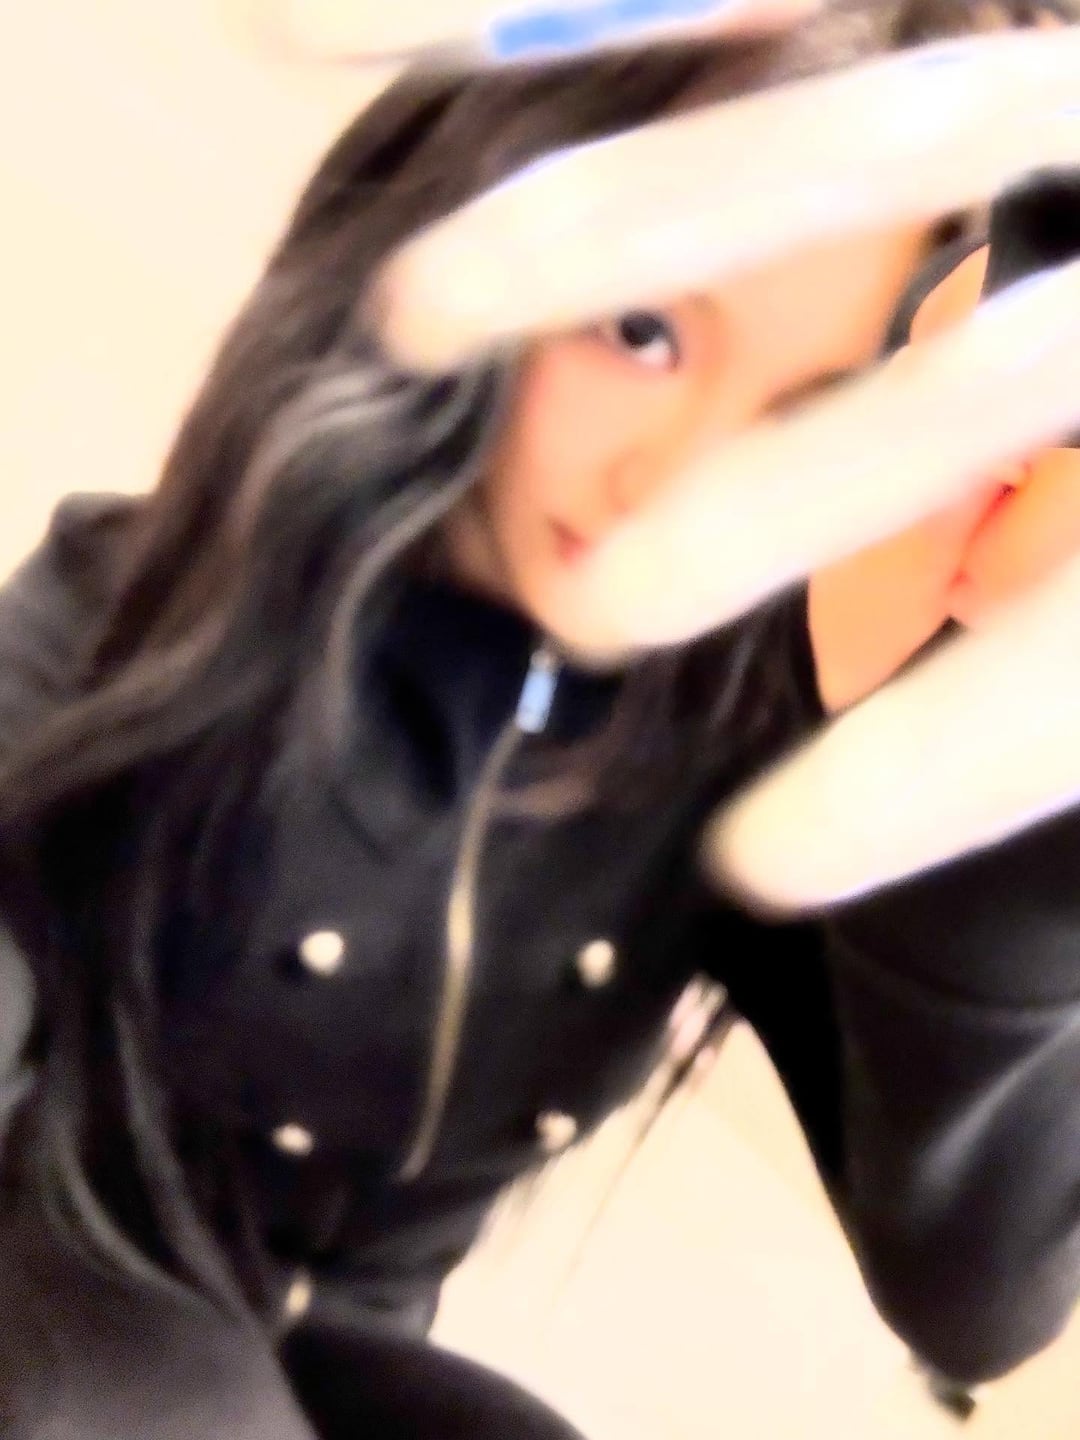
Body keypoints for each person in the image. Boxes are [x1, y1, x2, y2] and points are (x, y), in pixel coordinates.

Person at [0, 3, 1077, 1436]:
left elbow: (977, 1295)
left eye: (808, 418)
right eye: (644, 332)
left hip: (315, 1359)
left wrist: (987, 795)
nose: (670, 481)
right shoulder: (149, 608)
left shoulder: (722, 749)